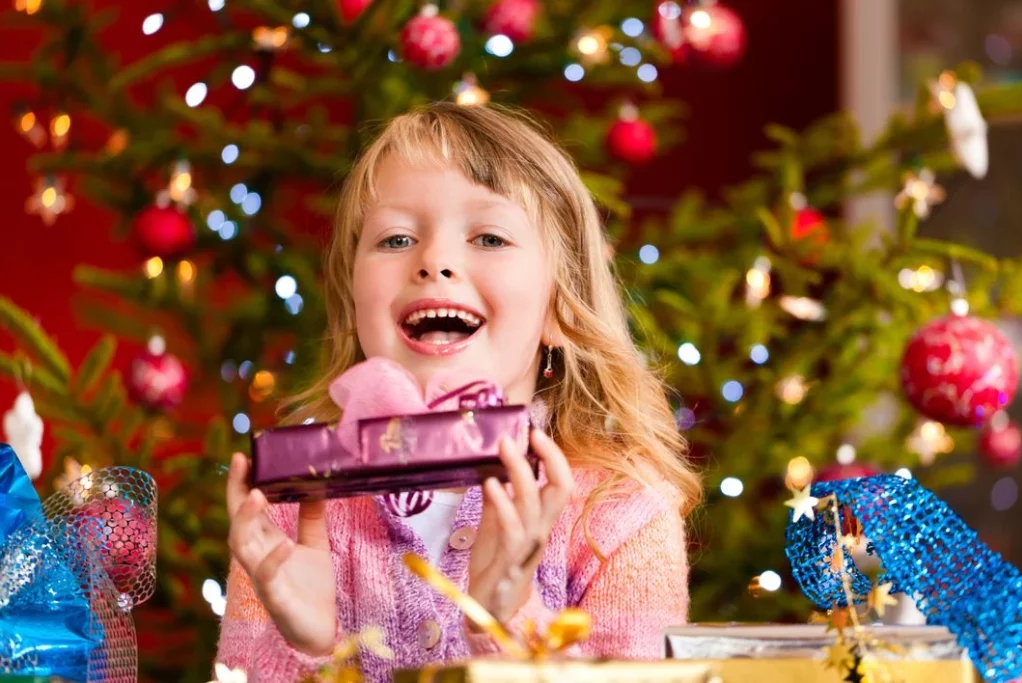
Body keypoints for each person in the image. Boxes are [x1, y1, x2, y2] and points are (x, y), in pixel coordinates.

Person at [216, 102, 702, 682]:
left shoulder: (620, 512)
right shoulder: (292, 510)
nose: (435, 262)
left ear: (561, 308)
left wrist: (509, 619)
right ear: (353, 301)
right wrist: (309, 645)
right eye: (396, 239)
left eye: (490, 237)